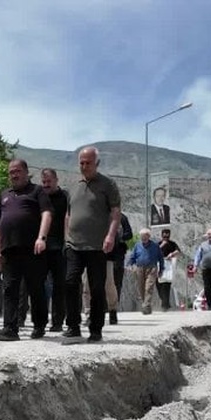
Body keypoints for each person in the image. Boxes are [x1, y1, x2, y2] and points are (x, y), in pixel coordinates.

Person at [62, 146, 121, 343]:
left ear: (97, 163)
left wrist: (110, 236)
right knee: (70, 282)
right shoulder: (74, 186)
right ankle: (73, 326)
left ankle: (96, 329)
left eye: (88, 163)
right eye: (82, 163)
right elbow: (69, 214)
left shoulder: (107, 185)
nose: (85, 166)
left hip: (98, 246)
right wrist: (66, 237)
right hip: (74, 245)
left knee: (96, 288)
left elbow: (115, 213)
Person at [0, 159, 52, 341]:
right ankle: (10, 329)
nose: (14, 175)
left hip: (32, 249)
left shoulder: (37, 191)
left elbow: (47, 213)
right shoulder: (4, 195)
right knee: (10, 289)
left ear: (26, 172)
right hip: (10, 249)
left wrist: (41, 238)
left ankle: (39, 325)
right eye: (11, 172)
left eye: (17, 171)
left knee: (36, 289)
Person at [38, 167, 69, 332]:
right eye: (44, 182)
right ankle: (40, 321)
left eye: (49, 181)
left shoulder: (65, 197)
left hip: (60, 247)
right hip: (41, 248)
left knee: (59, 286)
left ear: (56, 180)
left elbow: (69, 219)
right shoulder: (40, 197)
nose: (46, 185)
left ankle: (57, 321)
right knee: (39, 285)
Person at [125, 228, 163, 314]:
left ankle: (146, 305)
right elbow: (132, 257)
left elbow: (161, 258)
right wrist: (130, 264)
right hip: (140, 268)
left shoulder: (155, 246)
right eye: (141, 237)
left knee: (148, 287)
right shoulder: (137, 246)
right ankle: (146, 305)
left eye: (144, 236)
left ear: (148, 236)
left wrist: (161, 269)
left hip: (152, 268)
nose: (143, 238)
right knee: (141, 288)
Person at [156, 228, 182, 310]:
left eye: (167, 237)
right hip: (159, 266)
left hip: (169, 267)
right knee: (159, 286)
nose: (166, 238)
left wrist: (172, 254)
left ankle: (165, 305)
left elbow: (178, 251)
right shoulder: (158, 244)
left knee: (166, 286)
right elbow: (154, 252)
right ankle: (165, 302)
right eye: (164, 236)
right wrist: (162, 245)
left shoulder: (172, 244)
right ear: (162, 236)